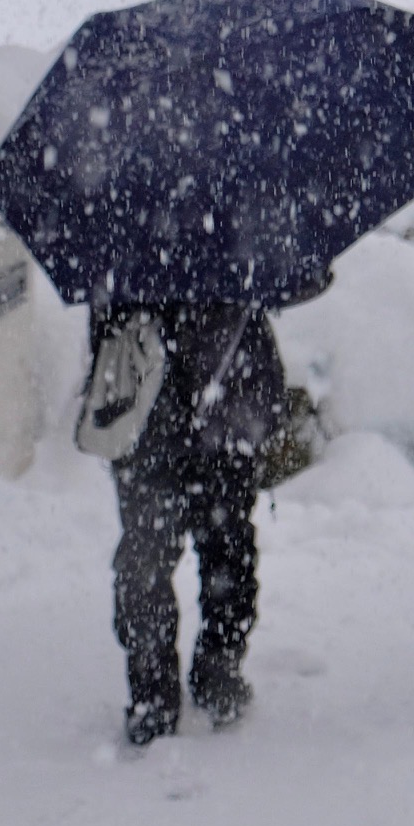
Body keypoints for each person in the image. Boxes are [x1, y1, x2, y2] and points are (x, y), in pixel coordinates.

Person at [93, 296, 289, 746]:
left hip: (151, 415)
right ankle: (215, 672)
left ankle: (155, 694)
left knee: (152, 555)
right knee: (224, 547)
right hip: (220, 404)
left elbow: (106, 325)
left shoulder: (121, 247)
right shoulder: (239, 244)